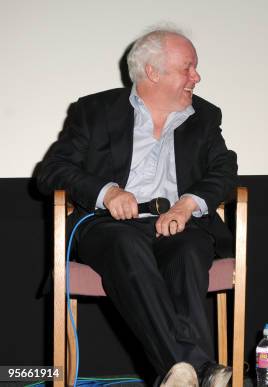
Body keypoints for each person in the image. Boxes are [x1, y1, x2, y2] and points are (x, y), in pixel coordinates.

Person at [37, 29, 236, 387]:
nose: (197, 77)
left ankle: (182, 375)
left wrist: (187, 205)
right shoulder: (95, 110)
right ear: (153, 72)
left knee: (191, 248)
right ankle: (195, 368)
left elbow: (224, 169)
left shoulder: (204, 116)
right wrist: (108, 192)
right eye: (188, 68)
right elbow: (52, 171)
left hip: (176, 224)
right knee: (125, 244)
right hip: (107, 226)